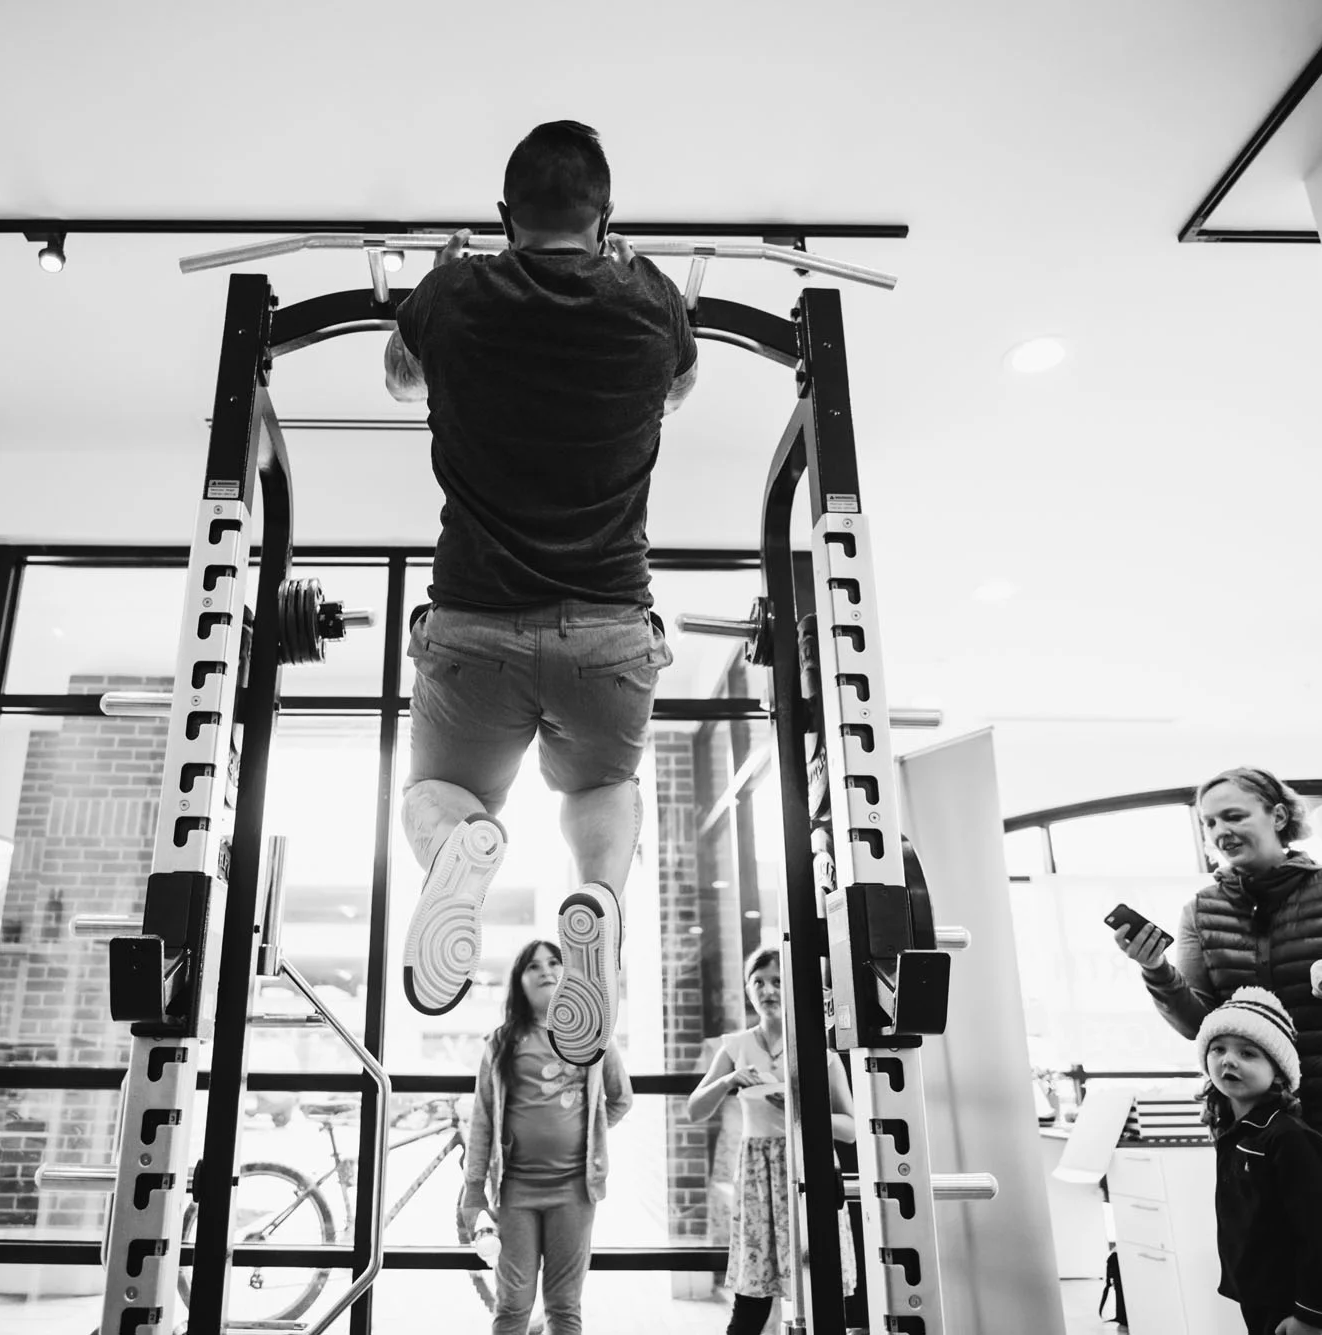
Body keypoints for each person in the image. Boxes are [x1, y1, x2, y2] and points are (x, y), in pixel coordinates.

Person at [387, 119, 699, 1067]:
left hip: (474, 628)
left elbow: (400, 381)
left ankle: (464, 847)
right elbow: (677, 391)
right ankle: (597, 895)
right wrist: (631, 286)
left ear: (503, 216)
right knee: (601, 787)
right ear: (607, 217)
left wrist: (435, 286)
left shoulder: (456, 292)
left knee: (438, 795)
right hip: (607, 632)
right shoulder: (648, 297)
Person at [1116, 766, 1322, 1334]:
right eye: (1209, 822)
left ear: (1279, 816)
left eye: (1233, 815)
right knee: (1284, 1311)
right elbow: (1201, 1025)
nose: (1219, 830)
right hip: (1266, 1141)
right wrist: (1157, 971)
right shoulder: (1200, 912)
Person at [460, 939, 633, 1335]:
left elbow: (621, 1099)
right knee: (512, 1305)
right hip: (515, 1192)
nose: (546, 971)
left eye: (554, 962)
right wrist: (473, 1190)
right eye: (533, 966)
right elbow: (483, 1120)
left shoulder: (592, 1036)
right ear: (519, 981)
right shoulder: (502, 1042)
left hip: (574, 1192)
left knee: (564, 1305)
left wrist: (589, 1136)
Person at [686, 948, 858, 1335]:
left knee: (823, 1293)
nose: (768, 990)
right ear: (748, 990)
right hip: (757, 1178)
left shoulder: (819, 1050)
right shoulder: (735, 1047)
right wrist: (729, 1080)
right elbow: (695, 1110)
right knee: (751, 1302)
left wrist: (802, 1112)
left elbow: (850, 1128)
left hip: (811, 1169)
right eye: (759, 982)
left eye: (778, 981)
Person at [1197, 986, 1322, 1335]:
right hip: (1258, 1296)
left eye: (1248, 1053)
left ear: (1279, 1072)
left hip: (1294, 1305)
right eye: (1218, 1049)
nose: (1228, 1060)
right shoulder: (1236, 1133)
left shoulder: (1291, 1138)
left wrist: (1313, 1316)